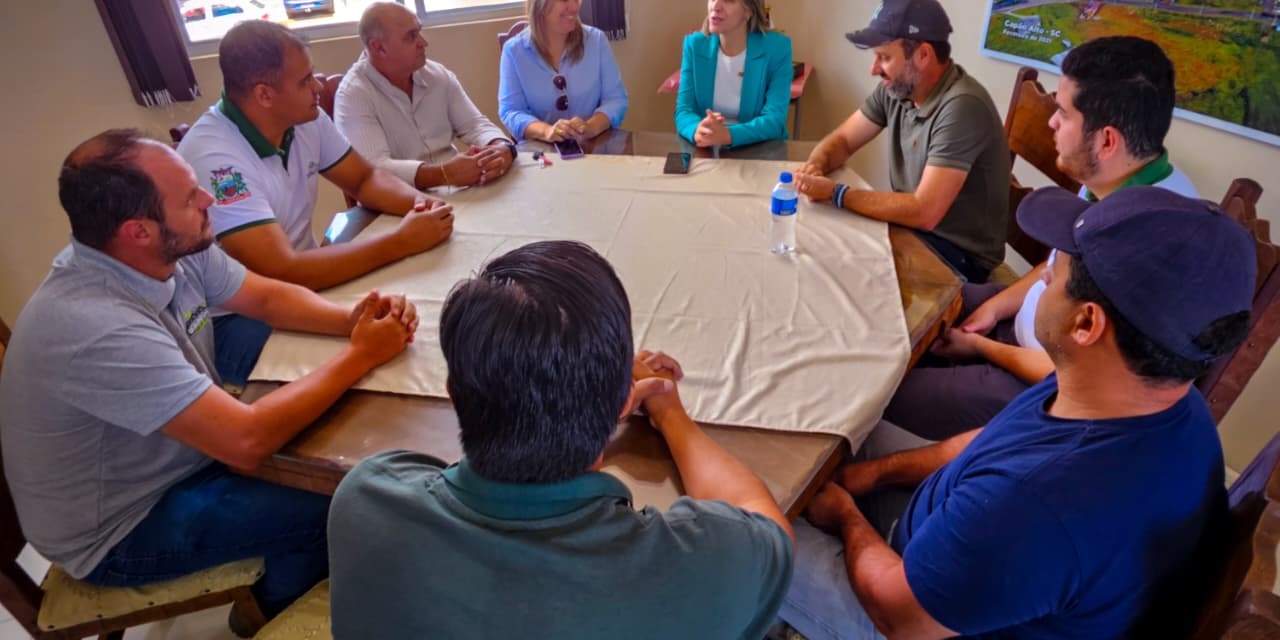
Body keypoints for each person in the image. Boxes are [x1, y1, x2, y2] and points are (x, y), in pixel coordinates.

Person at [779, 185, 1254, 639]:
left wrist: (845, 516)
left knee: (742, 519)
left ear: (1085, 322)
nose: (1043, 275)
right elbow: (989, 443)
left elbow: (897, 614)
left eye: (1057, 270)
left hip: (907, 613)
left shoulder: (1042, 503)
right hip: (959, 548)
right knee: (830, 418)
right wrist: (878, 474)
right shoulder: (1153, 394)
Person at [0, 130, 419, 631]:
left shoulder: (174, 246)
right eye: (190, 196)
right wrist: (360, 356)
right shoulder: (93, 324)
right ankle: (270, 614)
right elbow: (246, 441)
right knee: (339, 507)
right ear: (139, 231)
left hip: (177, 463)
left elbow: (263, 297)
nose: (209, 199)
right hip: (121, 528)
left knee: (334, 462)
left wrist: (351, 319)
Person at [328, 241, 795, 639]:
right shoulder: (703, 565)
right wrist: (670, 412)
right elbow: (763, 521)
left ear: (453, 394)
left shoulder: (366, 500)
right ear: (620, 407)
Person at [884, 35, 1199, 440]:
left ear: (1106, 140)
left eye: (1064, 114)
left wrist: (982, 349)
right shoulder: (1113, 174)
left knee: (885, 390)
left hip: (1042, 387)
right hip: (1023, 325)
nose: (1051, 121)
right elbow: (1055, 265)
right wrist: (995, 308)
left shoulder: (1141, 244)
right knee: (897, 307)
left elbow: (1073, 376)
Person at [178, 20, 453, 386]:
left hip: (302, 285)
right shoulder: (216, 158)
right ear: (264, 95)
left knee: (413, 324)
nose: (318, 86)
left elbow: (363, 178)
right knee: (367, 367)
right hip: (235, 317)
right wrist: (402, 241)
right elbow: (281, 270)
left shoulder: (302, 117)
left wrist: (421, 208)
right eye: (305, 80)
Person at [792, 0, 1010, 284]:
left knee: (837, 275)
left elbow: (925, 212)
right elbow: (844, 139)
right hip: (915, 232)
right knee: (819, 249)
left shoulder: (963, 107)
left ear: (922, 55)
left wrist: (836, 194)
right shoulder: (897, 89)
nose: (874, 69)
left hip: (958, 256)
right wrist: (815, 167)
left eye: (884, 57)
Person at [335, 2, 517, 190]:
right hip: (400, 204)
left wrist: (502, 148)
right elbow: (374, 170)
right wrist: (444, 174)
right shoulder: (353, 96)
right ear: (379, 48)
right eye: (411, 36)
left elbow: (475, 125)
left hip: (457, 192)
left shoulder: (436, 74)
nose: (423, 42)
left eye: (419, 31)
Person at [498, 0, 628, 143]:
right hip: (541, 157)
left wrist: (590, 127)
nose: (575, 7)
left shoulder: (596, 41)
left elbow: (616, 99)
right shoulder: (513, 51)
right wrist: (546, 131)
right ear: (540, 4)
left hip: (593, 151)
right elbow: (510, 111)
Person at [674, 0, 793, 148]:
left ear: (749, 10)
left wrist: (728, 136)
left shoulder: (777, 48)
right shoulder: (694, 45)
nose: (715, 6)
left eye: (728, 0)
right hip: (707, 148)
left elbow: (774, 120)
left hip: (760, 149)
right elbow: (684, 110)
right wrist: (696, 130)